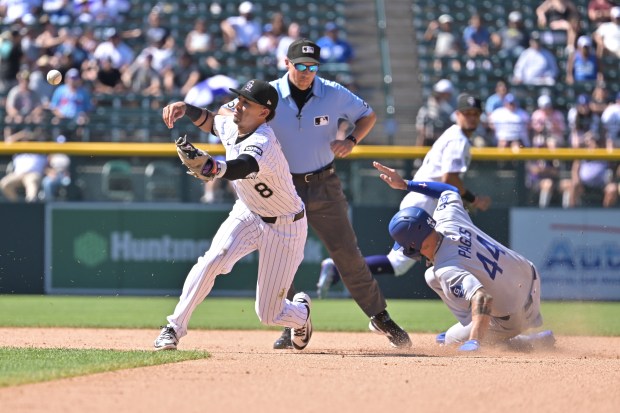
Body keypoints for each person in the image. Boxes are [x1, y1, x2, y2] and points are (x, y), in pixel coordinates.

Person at [248, 38, 409, 349]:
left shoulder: (333, 93)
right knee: (282, 257)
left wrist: (351, 140)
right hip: (281, 186)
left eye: (312, 66)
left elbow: (368, 116)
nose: (307, 71)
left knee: (347, 253)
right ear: (287, 64)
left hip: (323, 184)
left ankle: (380, 316)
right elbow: (235, 116)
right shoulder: (268, 93)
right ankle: (290, 322)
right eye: (300, 65)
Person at [154, 79, 312, 351]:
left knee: (268, 314)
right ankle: (173, 328)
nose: (238, 106)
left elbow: (242, 166)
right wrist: (185, 107)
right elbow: (211, 121)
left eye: (246, 103)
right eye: (239, 100)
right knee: (211, 260)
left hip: (285, 226)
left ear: (263, 113)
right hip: (248, 211)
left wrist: (213, 168)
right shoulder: (234, 124)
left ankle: (301, 313)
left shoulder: (264, 142)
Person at [318, 93, 491, 297]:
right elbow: (449, 179)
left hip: (423, 200)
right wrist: (474, 199)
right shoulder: (459, 140)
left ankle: (338, 269)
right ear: (457, 114)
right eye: (466, 113)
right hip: (425, 203)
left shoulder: (454, 135)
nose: (471, 117)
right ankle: (338, 268)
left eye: (475, 113)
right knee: (406, 261)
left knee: (404, 262)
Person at [373, 164, 556, 352]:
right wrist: (405, 184)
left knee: (451, 340)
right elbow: (450, 190)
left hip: (515, 315)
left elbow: (483, 298)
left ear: (414, 244)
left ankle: (527, 342)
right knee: (431, 276)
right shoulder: (447, 218)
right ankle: (476, 327)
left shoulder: (447, 268)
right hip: (530, 277)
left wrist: (474, 340)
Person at [415, 79, 456, 146]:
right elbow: (421, 129)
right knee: (421, 138)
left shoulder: (452, 111)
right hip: (429, 141)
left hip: (446, 142)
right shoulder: (425, 110)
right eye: (440, 94)